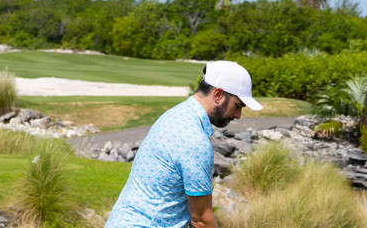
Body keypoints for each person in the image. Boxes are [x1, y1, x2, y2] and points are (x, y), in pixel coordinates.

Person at [105, 60, 263, 228]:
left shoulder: (175, 115)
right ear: (218, 95)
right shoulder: (196, 142)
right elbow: (201, 219)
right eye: (238, 105)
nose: (238, 114)